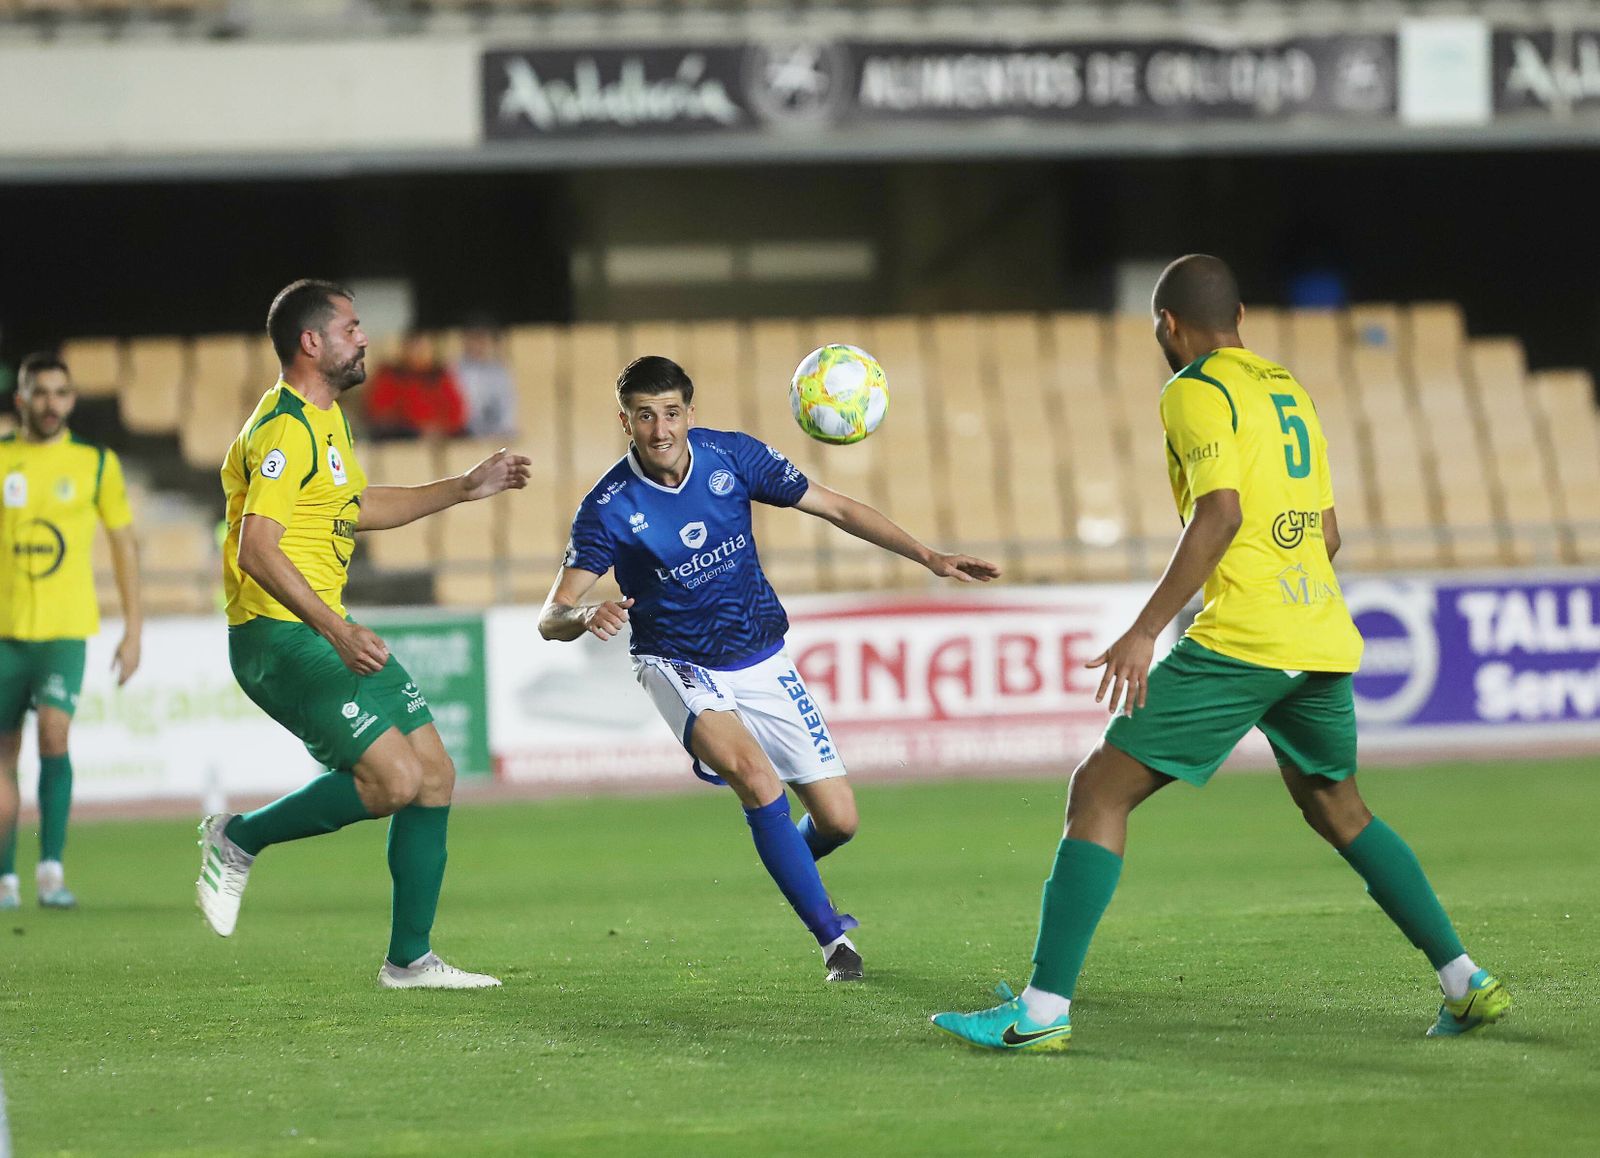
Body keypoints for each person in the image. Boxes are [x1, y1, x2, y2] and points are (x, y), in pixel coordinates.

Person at [931, 255, 1509, 1050]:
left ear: (1167, 326)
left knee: (1099, 790)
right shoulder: (1287, 387)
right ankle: (1464, 980)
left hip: (1247, 638)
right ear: (1239, 314)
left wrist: (1144, 630)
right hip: (1318, 633)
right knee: (1340, 807)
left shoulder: (1195, 392)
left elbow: (1221, 515)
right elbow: (1329, 532)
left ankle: (1039, 1013)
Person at [538, 355, 999, 982]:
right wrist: (584, 615)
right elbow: (552, 615)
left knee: (839, 821)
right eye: (645, 416)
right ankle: (834, 941)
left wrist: (928, 557)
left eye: (671, 413)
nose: (660, 430)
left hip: (761, 655)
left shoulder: (732, 457)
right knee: (757, 781)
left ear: (690, 413)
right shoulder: (609, 508)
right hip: (676, 661)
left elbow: (835, 507)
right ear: (626, 421)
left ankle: (790, 866)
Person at [196, 279, 531, 989]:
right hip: (278, 637)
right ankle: (238, 837)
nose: (366, 337)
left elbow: (357, 506)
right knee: (393, 780)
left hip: (324, 628)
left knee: (434, 776)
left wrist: (464, 486)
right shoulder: (285, 427)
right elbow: (257, 546)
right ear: (311, 342)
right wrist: (335, 629)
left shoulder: (331, 422)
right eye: (351, 327)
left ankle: (410, 961)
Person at [0, 353, 142, 911]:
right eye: (40, 393)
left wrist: (134, 630)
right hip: (5, 634)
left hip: (64, 631)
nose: (50, 403)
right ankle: (4, 877)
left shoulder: (95, 463)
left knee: (54, 736)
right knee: (3, 754)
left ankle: (51, 869)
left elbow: (124, 543)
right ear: (21, 399)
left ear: (72, 399)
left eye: (60, 393)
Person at [365, 331, 467, 441]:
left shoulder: (440, 375)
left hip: (441, 432)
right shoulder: (390, 375)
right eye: (414, 348)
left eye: (422, 348)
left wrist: (439, 428)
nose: (418, 353)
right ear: (404, 350)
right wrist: (418, 427)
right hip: (405, 432)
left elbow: (456, 410)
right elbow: (381, 412)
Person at [454, 323, 516, 438]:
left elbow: (506, 409)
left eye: (482, 339)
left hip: (494, 434)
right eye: (473, 339)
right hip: (463, 435)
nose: (478, 345)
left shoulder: (499, 371)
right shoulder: (454, 370)